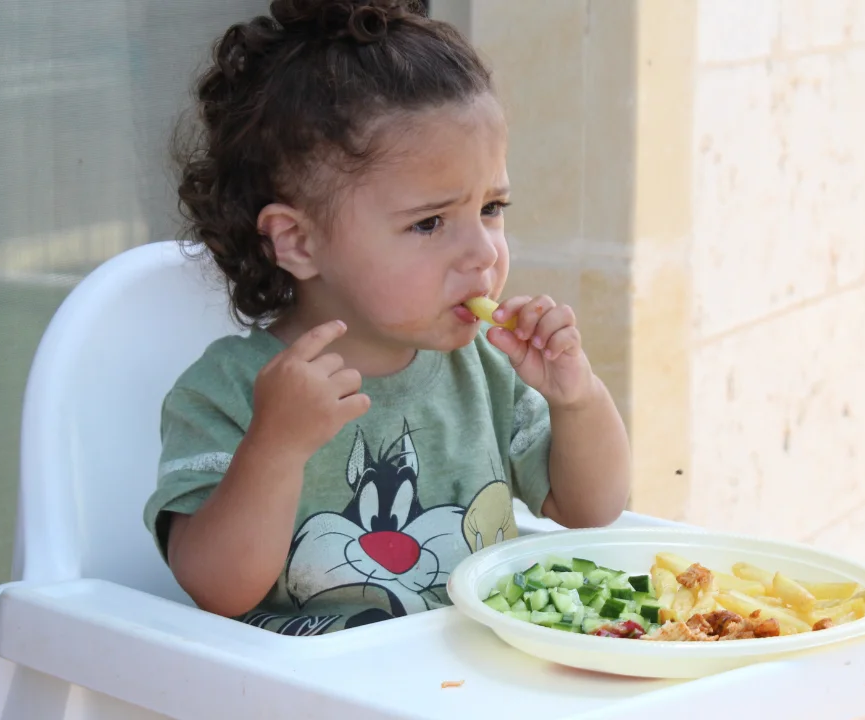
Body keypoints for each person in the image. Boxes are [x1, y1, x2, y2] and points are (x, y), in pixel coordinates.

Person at [143, 0, 631, 636]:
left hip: (468, 683)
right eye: (429, 223)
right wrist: (276, 446)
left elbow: (590, 509)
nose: (484, 253)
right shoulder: (229, 392)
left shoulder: (485, 368)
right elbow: (219, 591)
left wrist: (577, 399)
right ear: (297, 241)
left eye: (491, 207)